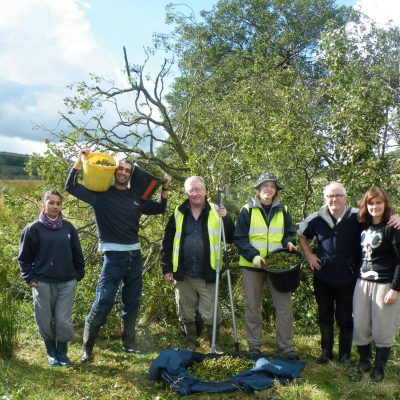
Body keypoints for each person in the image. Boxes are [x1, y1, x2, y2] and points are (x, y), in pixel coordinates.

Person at [65, 149, 171, 363]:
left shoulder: (137, 198)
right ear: (114, 171)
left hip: (135, 256)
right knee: (103, 301)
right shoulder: (100, 194)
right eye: (120, 169)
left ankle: (129, 344)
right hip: (113, 258)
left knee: (131, 302)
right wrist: (79, 160)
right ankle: (87, 349)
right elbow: (71, 186)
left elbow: (160, 208)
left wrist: (165, 188)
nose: (123, 172)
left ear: (131, 175)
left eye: (127, 170)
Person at [160, 176, 234, 353]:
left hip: (208, 272)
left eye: (198, 189)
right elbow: (167, 242)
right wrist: (166, 268)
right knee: (185, 312)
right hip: (182, 273)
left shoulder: (217, 210)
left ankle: (215, 345)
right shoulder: (179, 212)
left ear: (205, 190)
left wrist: (227, 218)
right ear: (187, 192)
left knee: (211, 313)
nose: (195, 193)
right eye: (191, 190)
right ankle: (191, 344)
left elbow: (230, 237)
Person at [234, 172, 298, 360]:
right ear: (258, 189)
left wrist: (289, 242)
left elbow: (289, 232)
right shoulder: (247, 210)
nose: (268, 189)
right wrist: (254, 257)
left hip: (278, 266)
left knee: (284, 306)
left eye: (272, 186)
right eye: (265, 186)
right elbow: (239, 238)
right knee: (253, 307)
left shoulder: (283, 209)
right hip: (252, 266)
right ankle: (254, 347)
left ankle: (285, 348)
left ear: (275, 190)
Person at [18, 190, 85, 367]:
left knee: (63, 320)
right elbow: (24, 259)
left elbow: (77, 254)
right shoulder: (33, 229)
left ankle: (62, 353)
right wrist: (29, 278)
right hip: (42, 283)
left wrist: (78, 275)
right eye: (51, 202)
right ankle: (52, 353)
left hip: (66, 282)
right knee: (45, 320)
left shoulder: (68, 228)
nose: (55, 206)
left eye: (58, 203)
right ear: (44, 204)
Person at [298, 182, 360, 365]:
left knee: (345, 317)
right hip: (323, 276)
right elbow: (300, 234)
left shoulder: (357, 216)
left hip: (348, 277)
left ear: (345, 198)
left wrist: (395, 216)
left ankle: (345, 355)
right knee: (324, 315)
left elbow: (380, 218)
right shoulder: (317, 218)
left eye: (338, 195)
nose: (334, 199)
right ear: (325, 198)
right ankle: (326, 351)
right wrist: (309, 255)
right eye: (330, 196)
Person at [353, 187, 400, 382]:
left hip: (385, 284)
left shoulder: (392, 226)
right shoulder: (363, 225)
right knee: (360, 324)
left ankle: (379, 368)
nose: (375, 206)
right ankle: (365, 360)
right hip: (362, 282)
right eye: (371, 203)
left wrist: (395, 288)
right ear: (366, 205)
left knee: (383, 328)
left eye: (379, 202)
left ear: (385, 204)